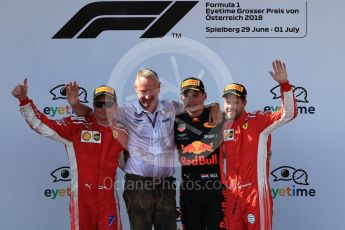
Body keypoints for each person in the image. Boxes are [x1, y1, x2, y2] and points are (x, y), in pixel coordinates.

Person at [67, 68, 222, 230]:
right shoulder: (125, 111)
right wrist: (75, 104)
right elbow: (93, 113)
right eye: (142, 91)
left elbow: (196, 106)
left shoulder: (172, 107)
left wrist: (214, 106)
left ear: (159, 88)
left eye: (151, 91)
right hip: (137, 185)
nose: (147, 96)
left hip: (165, 185)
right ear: (135, 90)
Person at [12, 79, 128, 230]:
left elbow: (134, 164)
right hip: (82, 203)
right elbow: (43, 125)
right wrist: (24, 100)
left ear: (116, 107)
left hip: (108, 203)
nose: (104, 109)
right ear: (94, 106)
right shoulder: (76, 127)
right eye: (99, 104)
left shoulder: (123, 133)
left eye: (109, 104)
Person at [222, 60, 297, 230]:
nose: (231, 106)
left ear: (244, 103)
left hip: (255, 194)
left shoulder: (258, 121)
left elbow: (288, 114)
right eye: (227, 101)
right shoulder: (222, 127)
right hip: (232, 196)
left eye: (236, 102)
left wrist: (284, 85)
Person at [174, 77, 226, 230]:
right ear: (181, 98)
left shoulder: (219, 117)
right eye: (186, 95)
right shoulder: (176, 121)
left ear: (205, 95)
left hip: (216, 193)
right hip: (189, 194)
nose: (191, 100)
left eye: (195, 95)